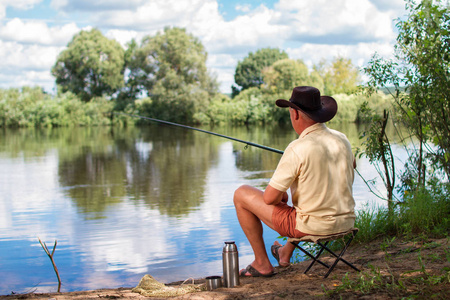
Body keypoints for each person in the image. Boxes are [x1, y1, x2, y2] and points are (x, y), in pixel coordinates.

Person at [234, 86, 356, 277]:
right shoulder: (343, 139)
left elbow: (269, 199)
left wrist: (281, 194)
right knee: (308, 201)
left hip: (314, 226)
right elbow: (350, 166)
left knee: (241, 193)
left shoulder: (297, 148)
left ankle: (261, 263)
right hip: (346, 221)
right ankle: (284, 253)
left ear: (295, 114)